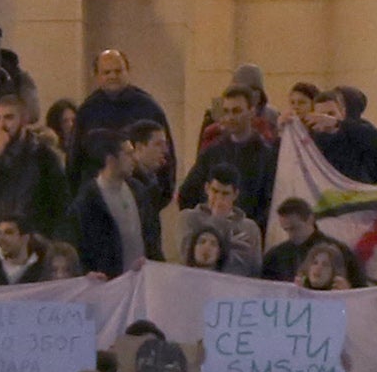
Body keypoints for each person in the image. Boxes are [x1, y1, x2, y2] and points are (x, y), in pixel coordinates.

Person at [73, 49, 176, 202]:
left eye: (118, 71)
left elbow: (166, 154)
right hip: (97, 200)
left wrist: (158, 197)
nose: (113, 76)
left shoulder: (149, 108)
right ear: (96, 76)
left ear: (128, 71)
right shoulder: (86, 111)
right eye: (107, 72)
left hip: (142, 198)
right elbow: (75, 160)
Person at [0, 92, 69, 237]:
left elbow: (61, 206)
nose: (1, 125)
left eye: (9, 117)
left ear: (24, 120)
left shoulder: (45, 157)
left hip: (32, 240)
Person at [69, 129, 162, 277]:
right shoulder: (87, 202)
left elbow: (152, 237)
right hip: (108, 286)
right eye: (128, 154)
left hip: (142, 283)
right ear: (110, 159)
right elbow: (81, 250)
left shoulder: (139, 192)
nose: (135, 159)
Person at [178, 85, 276, 214]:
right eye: (226, 111)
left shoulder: (267, 156)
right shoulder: (212, 152)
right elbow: (187, 194)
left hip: (248, 230)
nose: (230, 117)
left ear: (251, 112)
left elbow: (270, 202)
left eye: (236, 111)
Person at [175, 166, 265, 273]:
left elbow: (255, 268)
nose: (219, 198)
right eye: (215, 191)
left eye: (225, 194)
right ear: (207, 188)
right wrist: (217, 219)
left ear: (235, 195)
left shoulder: (250, 228)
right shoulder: (189, 218)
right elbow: (187, 257)